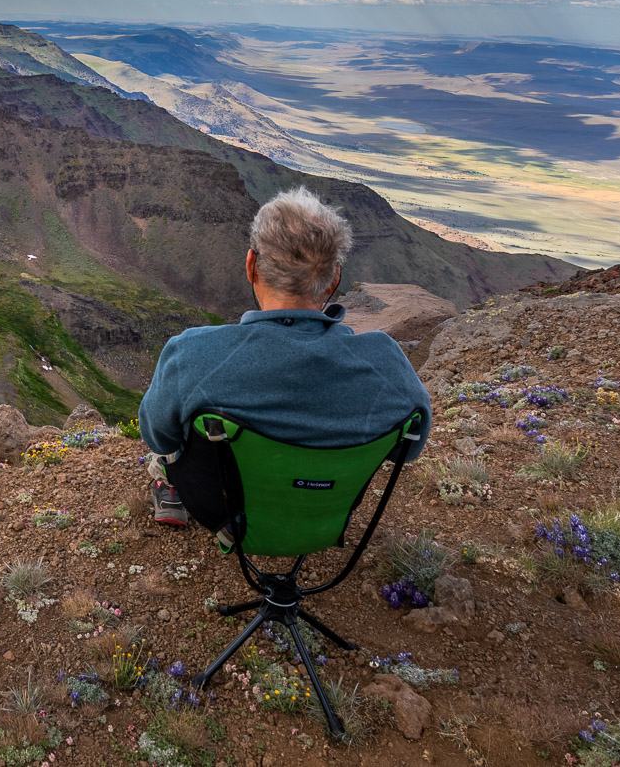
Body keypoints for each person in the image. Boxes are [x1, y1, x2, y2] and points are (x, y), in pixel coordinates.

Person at [138, 186, 431, 526]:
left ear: (251, 266)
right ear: (334, 277)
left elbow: (158, 436)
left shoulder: (191, 354)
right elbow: (408, 449)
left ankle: (169, 493)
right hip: (322, 515)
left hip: (223, 512)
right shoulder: (385, 363)